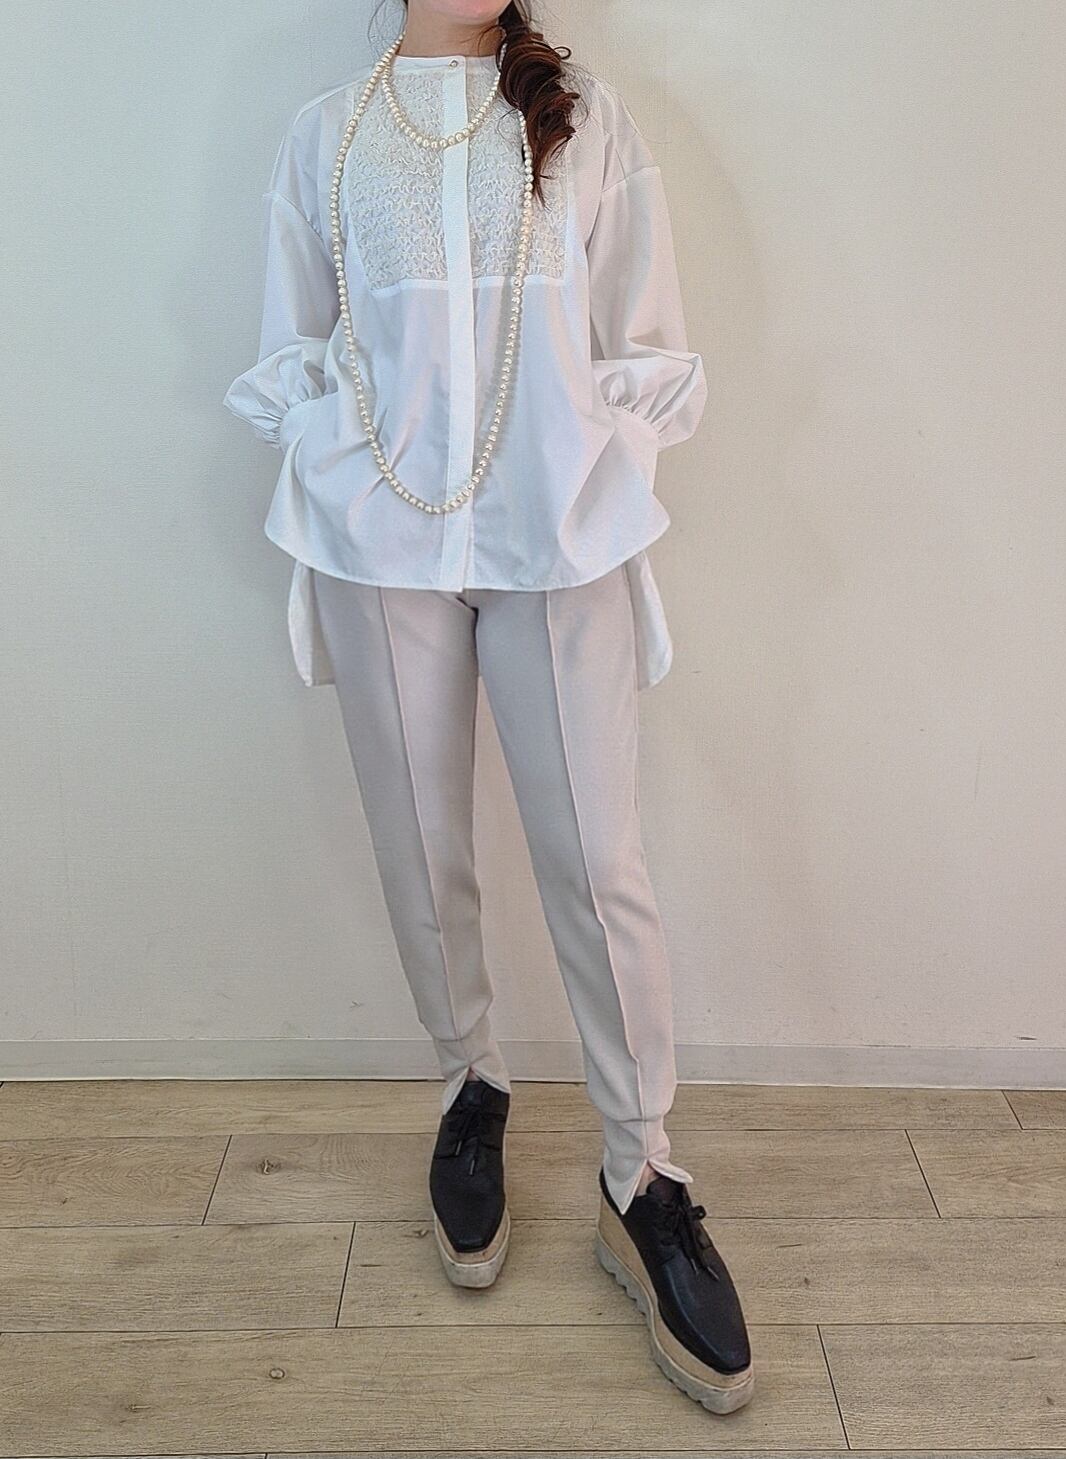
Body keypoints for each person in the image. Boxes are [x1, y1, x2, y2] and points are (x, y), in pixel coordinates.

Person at [223, 0, 753, 1413]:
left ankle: (642, 1176)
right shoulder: (326, 135)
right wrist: (338, 449)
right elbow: (289, 337)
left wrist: (587, 451)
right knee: (420, 849)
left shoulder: (585, 116)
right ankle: (470, 1085)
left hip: (558, 537)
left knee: (596, 864)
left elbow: (651, 338)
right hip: (376, 540)